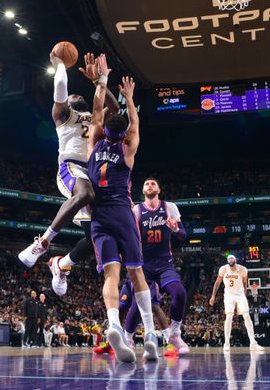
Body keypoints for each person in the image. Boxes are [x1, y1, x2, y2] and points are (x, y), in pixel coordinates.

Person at [19, 51, 119, 297]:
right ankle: (42, 243)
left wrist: (98, 82)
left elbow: (115, 109)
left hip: (93, 172)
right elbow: (62, 86)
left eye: (80, 94)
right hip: (71, 168)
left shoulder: (94, 116)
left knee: (97, 237)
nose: (77, 94)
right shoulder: (63, 116)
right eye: (73, 95)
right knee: (85, 193)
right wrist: (60, 64)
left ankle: (61, 265)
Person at [85, 54, 158, 363]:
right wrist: (129, 98)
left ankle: (113, 323)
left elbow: (97, 111)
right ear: (124, 134)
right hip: (122, 214)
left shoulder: (93, 142)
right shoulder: (127, 149)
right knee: (136, 271)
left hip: (98, 215)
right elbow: (135, 124)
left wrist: (101, 82)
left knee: (110, 276)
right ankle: (151, 334)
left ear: (103, 132)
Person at [124, 177, 190, 355]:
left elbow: (184, 235)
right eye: (146, 184)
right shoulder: (136, 210)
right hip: (142, 263)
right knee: (138, 303)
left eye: (153, 183)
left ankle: (175, 334)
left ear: (159, 189)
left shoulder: (170, 207)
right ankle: (127, 339)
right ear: (143, 190)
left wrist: (176, 229)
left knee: (179, 293)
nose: (150, 185)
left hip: (164, 263)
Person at [208, 254, 264, 351]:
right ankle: (226, 343)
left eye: (232, 258)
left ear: (235, 260)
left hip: (240, 294)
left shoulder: (242, 269)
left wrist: (244, 296)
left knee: (246, 316)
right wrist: (213, 296)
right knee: (229, 317)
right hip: (229, 295)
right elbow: (217, 283)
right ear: (227, 261)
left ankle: (253, 343)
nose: (230, 259)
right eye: (229, 258)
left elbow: (245, 283)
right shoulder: (223, 269)